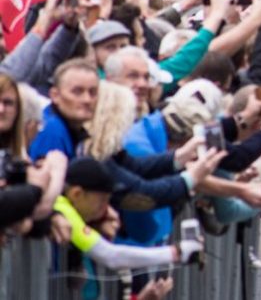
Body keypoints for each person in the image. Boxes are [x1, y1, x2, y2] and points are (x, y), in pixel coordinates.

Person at [51, 157, 204, 272]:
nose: (106, 209)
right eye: (102, 201)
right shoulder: (64, 210)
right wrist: (176, 253)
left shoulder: (62, 205)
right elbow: (110, 256)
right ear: (77, 194)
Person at [29, 58, 100, 161]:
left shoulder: (68, 128)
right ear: (55, 95)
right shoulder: (52, 131)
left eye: (93, 92)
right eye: (77, 92)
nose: (87, 100)